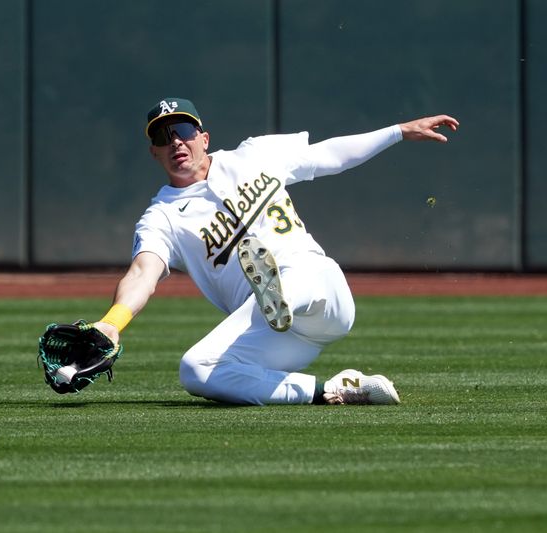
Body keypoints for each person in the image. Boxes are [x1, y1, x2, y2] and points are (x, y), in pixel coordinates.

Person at [92, 97, 459, 406]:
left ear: (204, 138)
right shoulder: (163, 216)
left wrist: (397, 131)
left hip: (320, 287)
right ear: (154, 152)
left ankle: (277, 290)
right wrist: (112, 322)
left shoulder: (255, 155)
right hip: (284, 338)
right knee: (196, 370)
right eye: (162, 135)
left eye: (184, 131)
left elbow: (328, 155)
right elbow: (143, 272)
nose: (175, 142)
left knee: (288, 270)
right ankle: (331, 389)